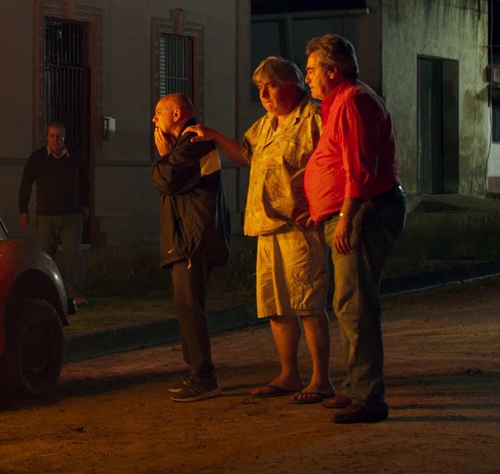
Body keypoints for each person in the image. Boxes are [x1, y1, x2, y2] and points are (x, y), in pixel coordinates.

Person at [183, 57, 333, 404]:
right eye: (260, 88)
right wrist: (214, 136)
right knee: (276, 305)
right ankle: (289, 373)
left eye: (271, 86)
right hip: (266, 226)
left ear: (294, 85)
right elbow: (245, 154)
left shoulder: (315, 118)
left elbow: (335, 160)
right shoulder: (266, 123)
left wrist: (321, 206)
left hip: (298, 226)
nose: (264, 94)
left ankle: (321, 379)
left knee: (308, 303)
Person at [303, 34, 404, 424]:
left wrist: (346, 216)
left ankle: (368, 396)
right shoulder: (343, 102)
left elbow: (360, 169)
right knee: (348, 304)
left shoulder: (354, 102)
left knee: (356, 304)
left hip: (366, 211)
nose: (307, 77)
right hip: (358, 210)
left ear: (333, 70)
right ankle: (356, 386)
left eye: (311, 69)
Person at [151, 93, 230, 403]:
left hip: (192, 239)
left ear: (177, 114)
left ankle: (204, 377)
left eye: (159, 112)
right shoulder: (185, 145)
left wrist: (163, 156)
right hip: (190, 237)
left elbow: (167, 180)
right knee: (187, 308)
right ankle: (197, 374)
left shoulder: (193, 142)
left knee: (190, 307)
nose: (154, 119)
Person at [18, 122, 89, 309]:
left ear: (64, 137)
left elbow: (85, 181)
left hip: (71, 214)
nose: (56, 140)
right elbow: (26, 184)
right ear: (46, 137)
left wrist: (85, 204)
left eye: (59, 136)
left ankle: (75, 294)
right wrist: (23, 209)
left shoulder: (74, 156)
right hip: (46, 215)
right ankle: (46, 293)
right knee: (46, 256)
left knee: (73, 254)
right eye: (52, 136)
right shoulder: (38, 158)